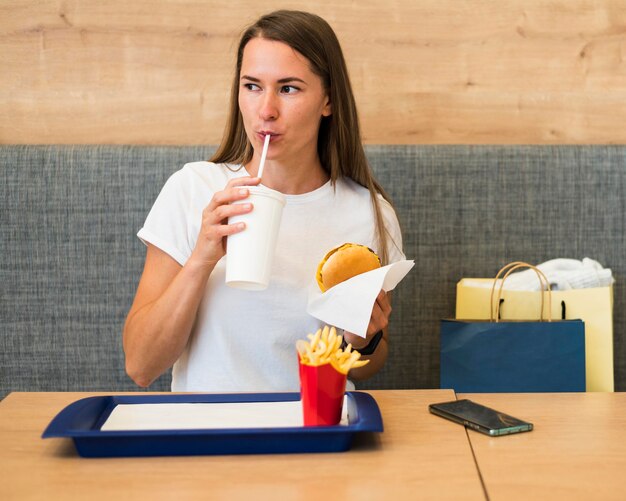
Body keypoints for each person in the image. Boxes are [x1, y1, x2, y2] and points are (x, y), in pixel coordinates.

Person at [123, 10, 405, 392]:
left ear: (328, 102)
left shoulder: (368, 213)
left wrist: (363, 340)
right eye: (252, 86)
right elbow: (140, 365)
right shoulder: (194, 188)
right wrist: (201, 259)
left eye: (288, 88)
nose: (265, 110)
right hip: (208, 433)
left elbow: (368, 364)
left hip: (312, 432)